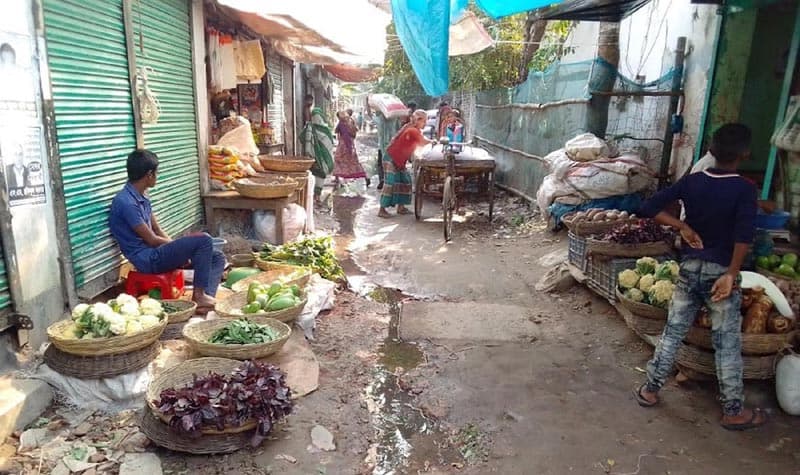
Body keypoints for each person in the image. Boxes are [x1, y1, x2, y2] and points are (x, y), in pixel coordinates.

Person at [634, 123, 766, 431]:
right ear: (745, 153)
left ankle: (650, 390)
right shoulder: (745, 189)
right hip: (721, 274)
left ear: (712, 150)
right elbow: (744, 235)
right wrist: (732, 273)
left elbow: (648, 207)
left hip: (690, 267)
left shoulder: (693, 181)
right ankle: (733, 411)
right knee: (727, 342)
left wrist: (683, 227)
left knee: (673, 332)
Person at [109, 149, 225, 313]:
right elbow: (151, 240)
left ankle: (204, 298)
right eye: (156, 172)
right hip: (148, 260)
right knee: (204, 240)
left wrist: (179, 250)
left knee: (217, 257)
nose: (157, 176)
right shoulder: (126, 203)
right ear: (149, 174)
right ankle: (198, 296)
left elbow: (157, 229)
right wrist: (178, 249)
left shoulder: (141, 196)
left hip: (156, 252)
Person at [379, 110, 433, 218]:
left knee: (405, 181)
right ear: (418, 120)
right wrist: (433, 142)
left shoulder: (411, 129)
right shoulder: (412, 130)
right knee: (390, 183)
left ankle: (401, 207)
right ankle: (382, 209)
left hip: (399, 160)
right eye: (424, 121)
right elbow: (422, 142)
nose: (425, 123)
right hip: (391, 158)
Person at [300, 94, 334, 201]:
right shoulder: (319, 129)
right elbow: (330, 142)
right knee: (317, 174)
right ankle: (316, 195)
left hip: (316, 156)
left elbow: (302, 138)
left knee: (317, 174)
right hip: (317, 156)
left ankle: (316, 195)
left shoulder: (312, 128)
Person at [333, 110, 369, 188]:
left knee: (338, 159)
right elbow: (354, 133)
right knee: (354, 162)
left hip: (343, 146)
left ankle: (337, 178)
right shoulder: (351, 121)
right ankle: (365, 177)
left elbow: (336, 131)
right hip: (351, 145)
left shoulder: (341, 123)